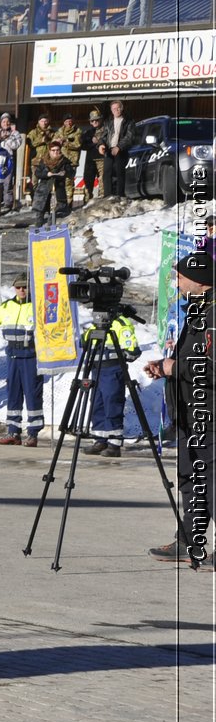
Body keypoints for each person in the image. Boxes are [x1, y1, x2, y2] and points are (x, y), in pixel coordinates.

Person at [145, 252, 212, 561]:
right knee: (189, 478)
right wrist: (166, 366)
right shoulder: (198, 311)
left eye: (181, 276)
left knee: (210, 481)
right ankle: (189, 542)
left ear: (199, 280)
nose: (177, 282)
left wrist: (177, 367)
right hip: (188, 412)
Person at [81, 311, 140, 457]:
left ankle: (114, 443)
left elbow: (132, 351)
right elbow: (84, 342)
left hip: (112, 370)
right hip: (96, 369)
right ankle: (100, 440)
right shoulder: (97, 324)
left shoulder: (121, 323)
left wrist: (122, 355)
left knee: (111, 403)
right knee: (97, 404)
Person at [0, 277, 41, 447]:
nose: (22, 290)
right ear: (14, 288)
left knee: (32, 395)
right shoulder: (6, 306)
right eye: (19, 287)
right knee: (13, 395)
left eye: (25, 287)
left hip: (31, 357)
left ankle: (33, 434)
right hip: (13, 357)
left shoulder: (37, 306)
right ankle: (13, 432)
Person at [97, 99, 135, 199]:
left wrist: (119, 147)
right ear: (111, 110)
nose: (116, 110)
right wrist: (101, 144)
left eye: (118, 108)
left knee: (120, 173)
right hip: (109, 150)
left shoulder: (128, 121)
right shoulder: (108, 122)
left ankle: (120, 196)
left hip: (120, 150)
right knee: (107, 173)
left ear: (121, 109)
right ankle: (107, 196)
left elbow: (129, 137)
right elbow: (104, 135)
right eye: (114, 109)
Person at [32, 142, 72, 221]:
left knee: (56, 212)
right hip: (44, 189)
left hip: (58, 188)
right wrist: (46, 174)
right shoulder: (44, 161)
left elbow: (71, 173)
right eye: (53, 150)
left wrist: (65, 173)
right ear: (49, 151)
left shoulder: (64, 161)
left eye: (57, 150)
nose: (55, 152)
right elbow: (37, 173)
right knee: (40, 213)